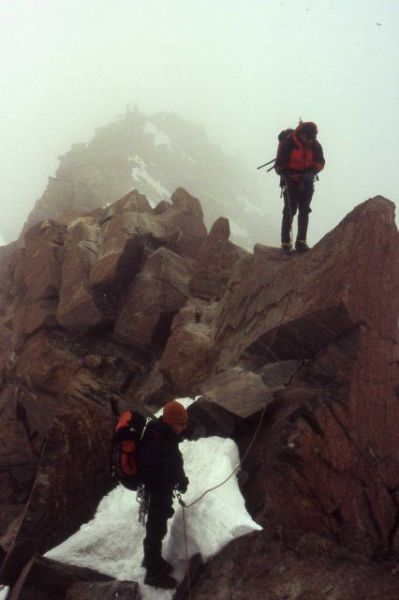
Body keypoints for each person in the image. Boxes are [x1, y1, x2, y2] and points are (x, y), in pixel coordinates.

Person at [138, 399, 189, 589]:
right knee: (156, 529)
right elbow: (155, 469)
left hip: (161, 489)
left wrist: (179, 479)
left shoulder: (164, 435)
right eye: (181, 424)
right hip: (157, 491)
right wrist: (172, 481)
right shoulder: (157, 440)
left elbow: (172, 461)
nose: (184, 428)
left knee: (157, 528)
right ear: (171, 422)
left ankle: (153, 560)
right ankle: (152, 573)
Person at [274, 121, 325, 253]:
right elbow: (279, 166)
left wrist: (312, 171)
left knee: (304, 210)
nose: (310, 141)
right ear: (301, 134)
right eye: (308, 138)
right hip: (291, 181)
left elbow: (321, 162)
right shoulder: (289, 143)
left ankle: (300, 242)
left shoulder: (315, 144)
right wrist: (292, 175)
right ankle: (286, 243)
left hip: (307, 182)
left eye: (312, 138)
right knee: (290, 211)